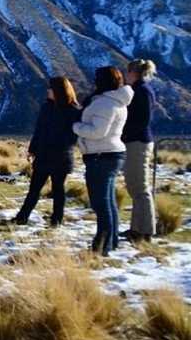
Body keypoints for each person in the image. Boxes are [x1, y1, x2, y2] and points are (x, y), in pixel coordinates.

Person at [73, 66, 134, 256]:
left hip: (100, 155)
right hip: (110, 154)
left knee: (101, 203)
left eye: (97, 78)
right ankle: (111, 241)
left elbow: (98, 132)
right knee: (108, 202)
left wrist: (76, 126)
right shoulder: (117, 102)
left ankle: (102, 246)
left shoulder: (105, 104)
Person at [14, 77, 82, 226]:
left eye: (50, 88)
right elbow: (38, 130)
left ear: (58, 91)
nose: (47, 91)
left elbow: (74, 136)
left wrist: (60, 145)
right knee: (34, 189)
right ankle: (22, 217)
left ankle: (57, 220)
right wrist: (32, 149)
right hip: (43, 155)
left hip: (61, 157)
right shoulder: (47, 107)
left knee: (58, 189)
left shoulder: (73, 111)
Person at [121, 59, 157, 242]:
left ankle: (145, 230)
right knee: (135, 185)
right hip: (135, 141)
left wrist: (124, 133)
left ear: (133, 72)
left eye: (127, 72)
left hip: (138, 143)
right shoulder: (140, 90)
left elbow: (141, 120)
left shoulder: (142, 91)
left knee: (140, 187)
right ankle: (137, 228)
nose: (126, 76)